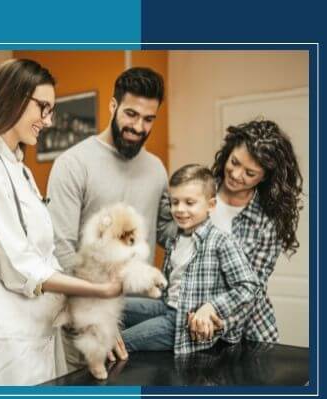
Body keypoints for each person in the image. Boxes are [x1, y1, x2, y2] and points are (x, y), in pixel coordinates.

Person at [0, 59, 123, 386]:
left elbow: (46, 255)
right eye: (43, 108)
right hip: (8, 336)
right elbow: (19, 265)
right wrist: (98, 289)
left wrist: (91, 318)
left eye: (51, 110)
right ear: (13, 96)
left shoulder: (21, 169)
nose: (49, 120)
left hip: (40, 327)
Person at [46, 67, 168, 362]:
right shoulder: (73, 164)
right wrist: (99, 322)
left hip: (142, 318)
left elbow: (166, 230)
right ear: (113, 106)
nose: (139, 127)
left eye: (149, 119)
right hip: (86, 321)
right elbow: (59, 249)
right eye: (131, 114)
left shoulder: (156, 169)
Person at [158, 119, 304, 343]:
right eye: (234, 162)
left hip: (245, 333)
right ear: (227, 153)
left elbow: (252, 288)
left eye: (250, 173)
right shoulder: (197, 192)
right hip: (184, 323)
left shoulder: (266, 221)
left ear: (265, 176)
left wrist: (215, 317)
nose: (236, 174)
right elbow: (173, 247)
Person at [122, 165, 260, 354]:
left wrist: (212, 307)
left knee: (120, 342)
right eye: (174, 202)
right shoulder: (175, 238)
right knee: (114, 307)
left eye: (189, 202)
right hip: (166, 306)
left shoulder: (221, 242)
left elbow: (250, 287)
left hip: (182, 322)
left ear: (211, 205)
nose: (179, 209)